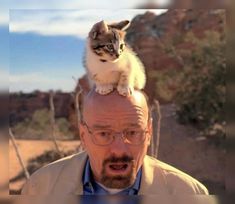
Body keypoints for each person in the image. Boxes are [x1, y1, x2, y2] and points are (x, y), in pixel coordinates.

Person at [21, 89, 209, 195]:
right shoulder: (40, 188)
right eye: (103, 134)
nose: (119, 150)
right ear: (83, 135)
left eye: (133, 132)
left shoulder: (189, 194)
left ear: (149, 132)